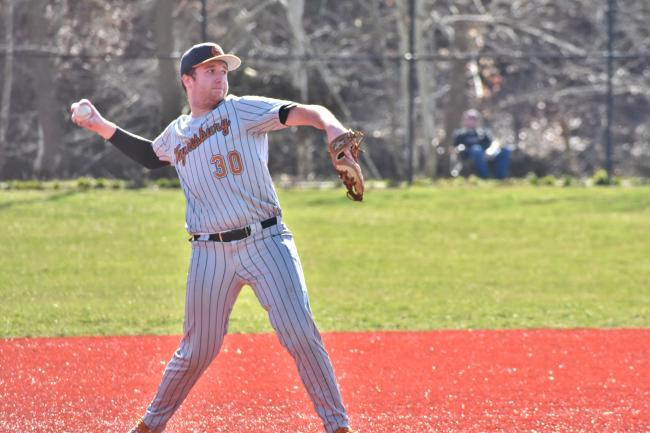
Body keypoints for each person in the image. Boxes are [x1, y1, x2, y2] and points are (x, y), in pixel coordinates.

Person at [71, 42, 357, 433]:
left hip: (265, 241)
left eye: (223, 70)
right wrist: (99, 125)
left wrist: (331, 125)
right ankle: (150, 426)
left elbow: (300, 111)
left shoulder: (241, 109)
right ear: (187, 80)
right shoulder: (177, 132)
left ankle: (337, 426)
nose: (220, 76)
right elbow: (151, 157)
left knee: (299, 332)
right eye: (210, 71)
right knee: (196, 351)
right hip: (209, 253)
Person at [452, 109, 512, 179]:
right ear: (465, 120)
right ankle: (485, 177)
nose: (472, 121)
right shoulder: (460, 134)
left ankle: (500, 177)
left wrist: (490, 150)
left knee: (506, 150)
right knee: (476, 149)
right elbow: (455, 148)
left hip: (486, 154)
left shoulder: (484, 133)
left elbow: (494, 143)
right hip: (470, 155)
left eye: (475, 119)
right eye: (470, 118)